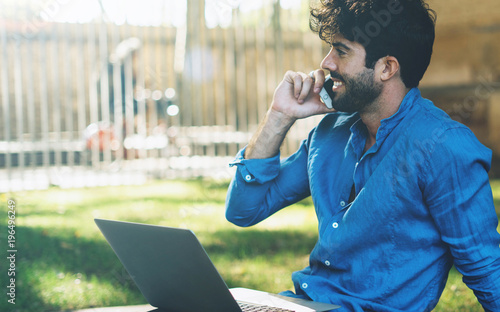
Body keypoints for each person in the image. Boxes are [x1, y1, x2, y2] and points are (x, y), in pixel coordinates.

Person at [224, 0, 500, 311]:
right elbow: (243, 211)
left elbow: (486, 267)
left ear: (386, 68)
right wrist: (279, 115)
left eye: (340, 52)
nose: (326, 63)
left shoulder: (443, 146)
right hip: (303, 304)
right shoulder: (329, 133)